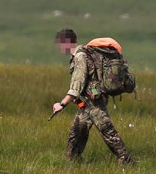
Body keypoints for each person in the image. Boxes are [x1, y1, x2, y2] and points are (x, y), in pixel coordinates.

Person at [51, 29, 135, 165]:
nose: (59, 48)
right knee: (77, 130)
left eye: (60, 44)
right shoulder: (83, 54)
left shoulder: (80, 57)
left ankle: (127, 162)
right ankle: (71, 160)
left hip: (94, 101)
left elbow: (76, 87)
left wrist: (61, 104)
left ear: (66, 42)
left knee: (108, 132)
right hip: (87, 102)